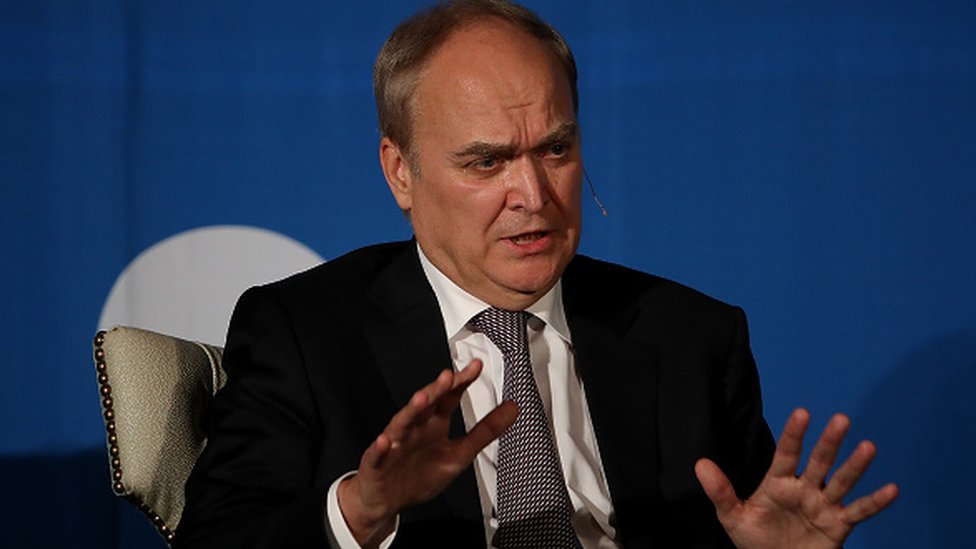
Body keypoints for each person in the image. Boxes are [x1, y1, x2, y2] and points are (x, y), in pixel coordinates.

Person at [175, 1, 897, 548]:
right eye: (487, 161)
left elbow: (749, 524)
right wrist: (360, 509)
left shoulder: (692, 336)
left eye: (555, 150)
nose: (534, 194)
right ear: (401, 172)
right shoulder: (306, 332)